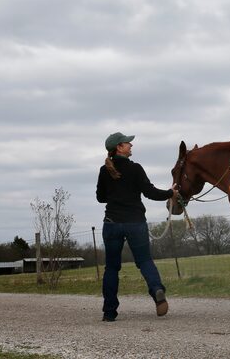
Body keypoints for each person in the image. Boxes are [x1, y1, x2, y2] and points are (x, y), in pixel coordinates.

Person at [96, 132, 179, 322]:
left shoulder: (104, 170)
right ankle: (157, 290)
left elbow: (100, 198)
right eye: (128, 144)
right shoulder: (136, 169)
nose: (131, 146)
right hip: (135, 223)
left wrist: (115, 194)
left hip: (112, 224)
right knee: (145, 262)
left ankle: (109, 312)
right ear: (119, 147)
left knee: (111, 268)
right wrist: (170, 193)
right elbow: (150, 193)